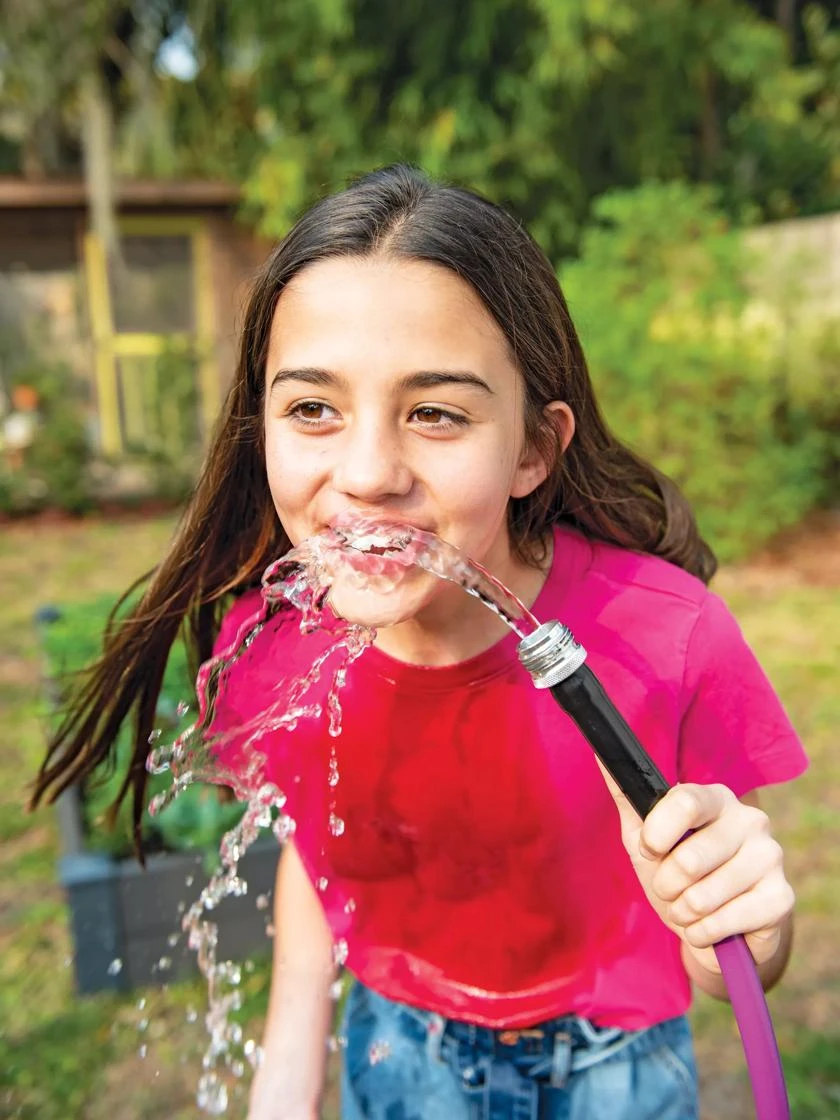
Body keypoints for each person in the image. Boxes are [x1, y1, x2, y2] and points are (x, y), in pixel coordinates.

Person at [33, 165, 807, 1120]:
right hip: (399, 1055)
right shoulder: (269, 653)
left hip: (618, 1069)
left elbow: (732, 952)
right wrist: (285, 1083)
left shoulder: (666, 636)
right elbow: (321, 860)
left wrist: (746, 934)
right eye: (312, 409)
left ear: (532, 448)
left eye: (435, 412)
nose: (368, 474)